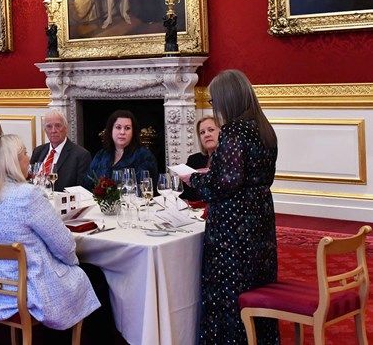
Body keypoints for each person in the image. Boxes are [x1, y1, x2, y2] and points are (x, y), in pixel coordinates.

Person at [180, 69, 279, 345]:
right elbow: (260, 177)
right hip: (259, 219)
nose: (215, 107)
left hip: (233, 229)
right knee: (257, 285)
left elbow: (225, 183)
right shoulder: (264, 128)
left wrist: (194, 178)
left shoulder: (235, 131)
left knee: (228, 294)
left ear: (227, 99)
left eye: (214, 102)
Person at [0, 134, 104, 333]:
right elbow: (65, 246)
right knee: (95, 275)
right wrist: (72, 264)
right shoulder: (27, 196)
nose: (28, 159)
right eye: (24, 153)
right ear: (13, 161)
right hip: (25, 289)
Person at [83, 109, 157, 190]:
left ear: (133, 132)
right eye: (118, 127)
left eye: (127, 128)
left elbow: (144, 189)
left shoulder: (144, 156)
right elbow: (87, 184)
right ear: (111, 130)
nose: (122, 132)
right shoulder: (101, 154)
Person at [30, 109, 91, 191]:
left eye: (58, 126)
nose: (53, 130)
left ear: (66, 128)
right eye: (49, 126)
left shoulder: (81, 155)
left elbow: (81, 191)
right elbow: (29, 179)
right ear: (45, 130)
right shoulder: (38, 151)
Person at [181, 116, 219, 202]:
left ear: (221, 132)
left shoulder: (229, 159)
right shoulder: (193, 160)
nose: (206, 135)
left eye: (211, 130)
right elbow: (186, 193)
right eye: (202, 132)